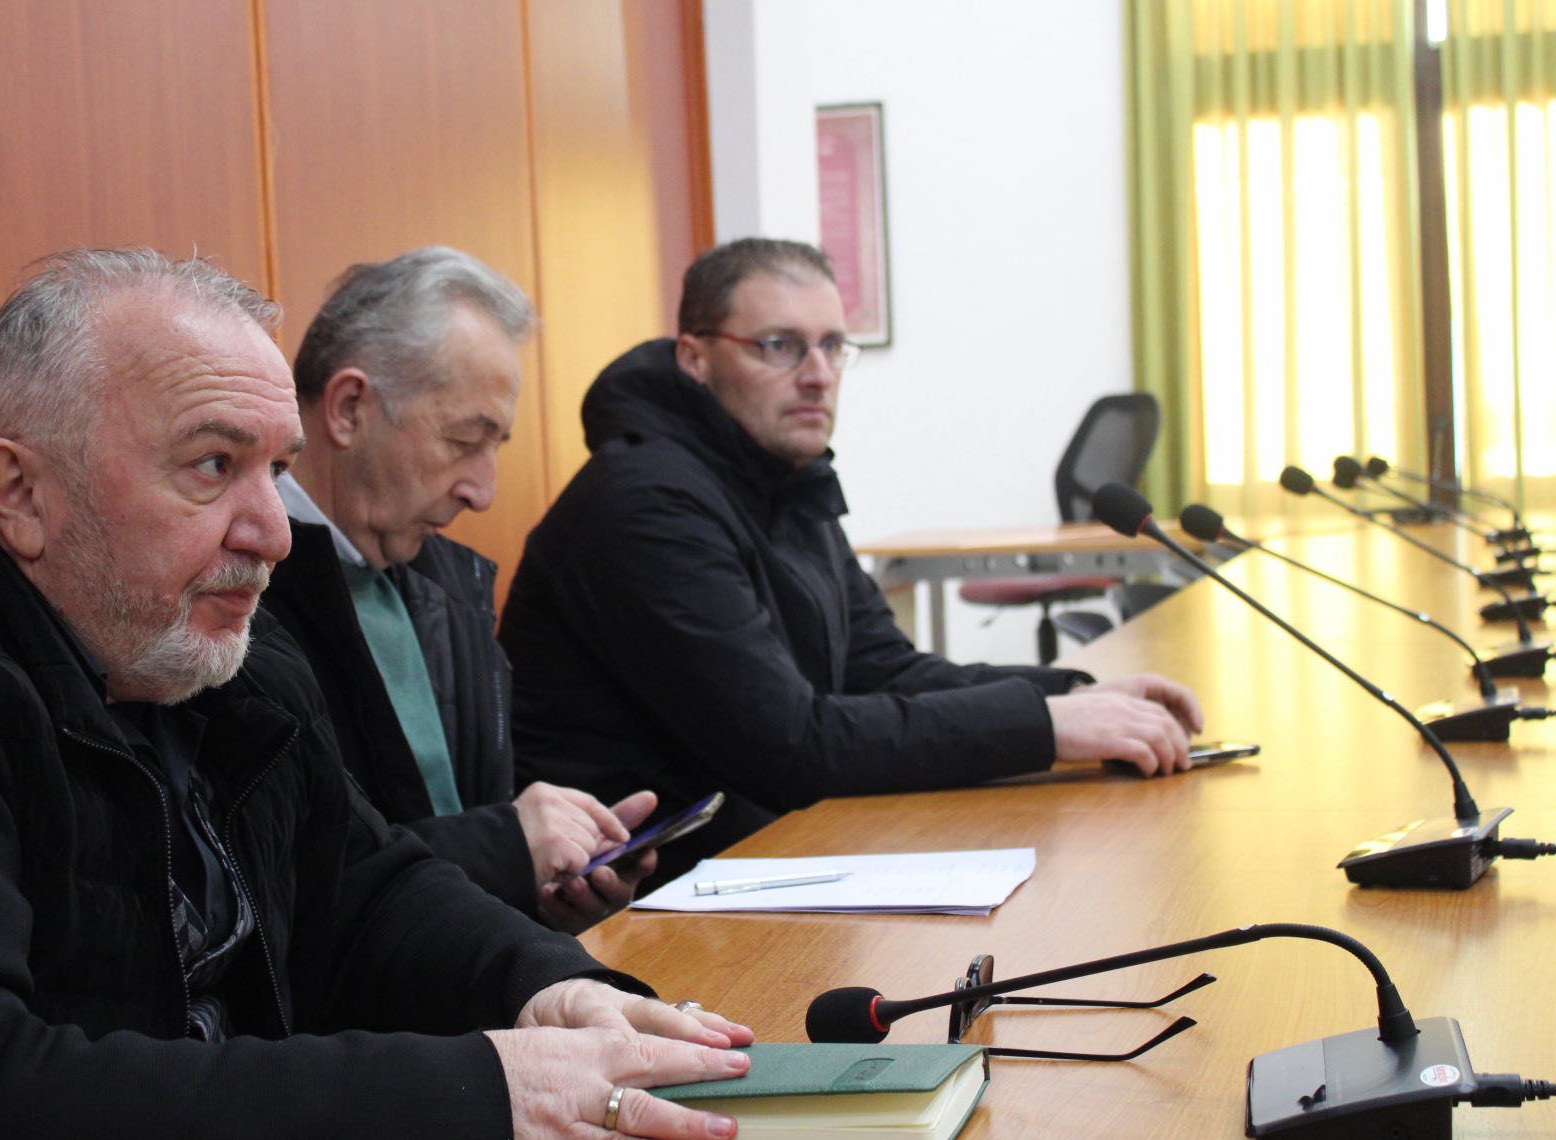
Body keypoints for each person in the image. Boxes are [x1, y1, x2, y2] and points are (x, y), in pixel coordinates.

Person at [0, 248, 752, 1140]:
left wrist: (552, 986)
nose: (272, 532)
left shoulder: (212, 651)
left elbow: (366, 890)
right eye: (214, 466)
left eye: (276, 468)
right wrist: (481, 1091)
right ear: (19, 492)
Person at [499, 237, 1203, 880]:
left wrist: (1070, 695)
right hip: (645, 894)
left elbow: (881, 668)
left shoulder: (782, 478)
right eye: (780, 345)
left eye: (832, 346)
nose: (817, 375)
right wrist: (1043, 727)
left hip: (764, 855)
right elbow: (789, 747)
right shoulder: (645, 506)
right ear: (696, 358)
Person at [265, 247, 655, 934]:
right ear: (350, 408)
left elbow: (466, 825)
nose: (484, 491)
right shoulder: (234, 591)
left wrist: (542, 879)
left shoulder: (446, 580)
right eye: (464, 440)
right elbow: (279, 878)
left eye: (496, 445)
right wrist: (504, 847)